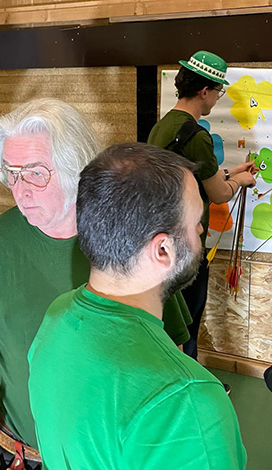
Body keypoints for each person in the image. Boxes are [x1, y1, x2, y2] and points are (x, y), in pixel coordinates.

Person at [0, 99, 192, 470]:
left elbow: (172, 349)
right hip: (17, 455)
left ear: (78, 167)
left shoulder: (130, 243)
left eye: (36, 173)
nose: (20, 190)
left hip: (109, 458)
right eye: (12, 173)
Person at [28, 142, 247, 469]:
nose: (202, 230)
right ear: (163, 251)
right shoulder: (187, 401)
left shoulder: (58, 317)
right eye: (196, 223)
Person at [148, 50, 256, 359]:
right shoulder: (197, 136)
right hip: (187, 247)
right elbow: (219, 194)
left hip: (163, 243)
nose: (217, 99)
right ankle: (191, 380)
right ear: (204, 91)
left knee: (172, 325)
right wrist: (241, 181)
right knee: (188, 326)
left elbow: (193, 179)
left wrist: (231, 172)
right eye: (218, 92)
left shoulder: (163, 126)